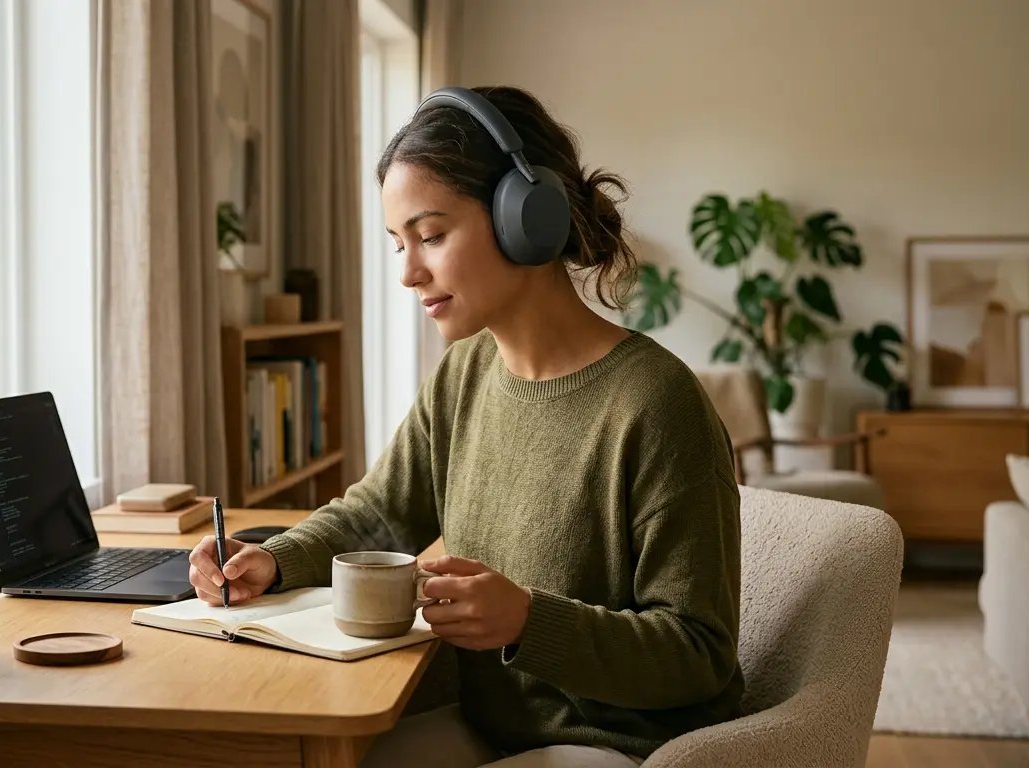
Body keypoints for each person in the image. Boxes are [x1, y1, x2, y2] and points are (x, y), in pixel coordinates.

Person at [187, 85, 743, 768]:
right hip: (492, 729)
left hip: (616, 746)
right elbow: (380, 515)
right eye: (398, 244)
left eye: (430, 236)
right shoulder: (465, 372)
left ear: (525, 217)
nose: (408, 273)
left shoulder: (656, 404)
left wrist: (529, 621)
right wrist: (275, 560)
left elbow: (699, 654)